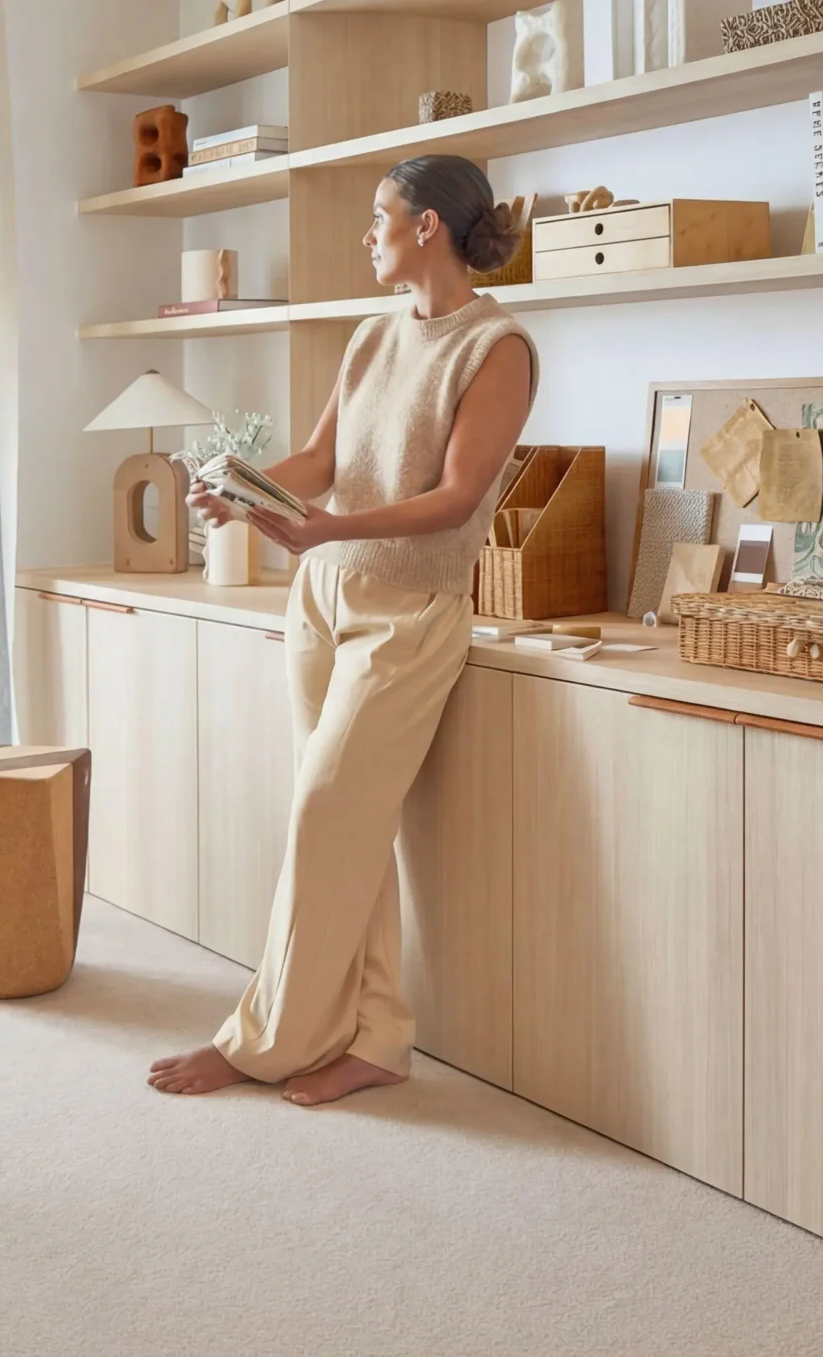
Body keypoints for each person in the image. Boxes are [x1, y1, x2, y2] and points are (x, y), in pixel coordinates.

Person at [148, 154, 538, 1107]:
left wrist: (325, 529)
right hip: (320, 601)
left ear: (429, 228)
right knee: (349, 831)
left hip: (410, 617)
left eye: (380, 216)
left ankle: (264, 1041)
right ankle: (377, 1038)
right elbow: (322, 459)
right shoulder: (370, 336)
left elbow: (452, 501)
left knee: (324, 814)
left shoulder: (499, 348)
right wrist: (246, 493)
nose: (368, 233)